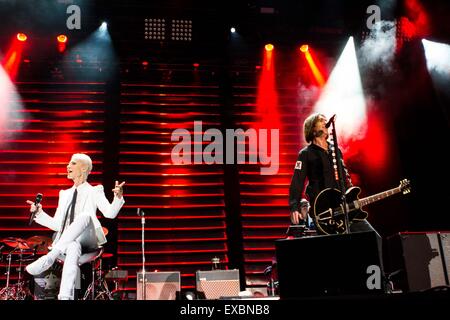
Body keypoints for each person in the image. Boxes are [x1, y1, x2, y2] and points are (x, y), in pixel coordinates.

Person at [25, 153, 125, 300]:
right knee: (73, 246)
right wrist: (39, 213)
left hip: (88, 241)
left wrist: (118, 198)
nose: (68, 166)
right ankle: (65, 296)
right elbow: (57, 224)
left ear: (83, 168)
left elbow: (110, 214)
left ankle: (49, 258)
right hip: (67, 243)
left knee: (85, 216)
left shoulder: (95, 190)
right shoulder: (64, 194)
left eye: (72, 163)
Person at [288, 112, 379, 235]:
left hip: (344, 206)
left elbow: (345, 177)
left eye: (325, 120)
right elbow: (297, 182)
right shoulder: (305, 154)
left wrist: (351, 195)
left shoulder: (336, 150)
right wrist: (294, 207)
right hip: (323, 211)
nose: (325, 121)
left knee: (372, 237)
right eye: (321, 120)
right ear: (312, 129)